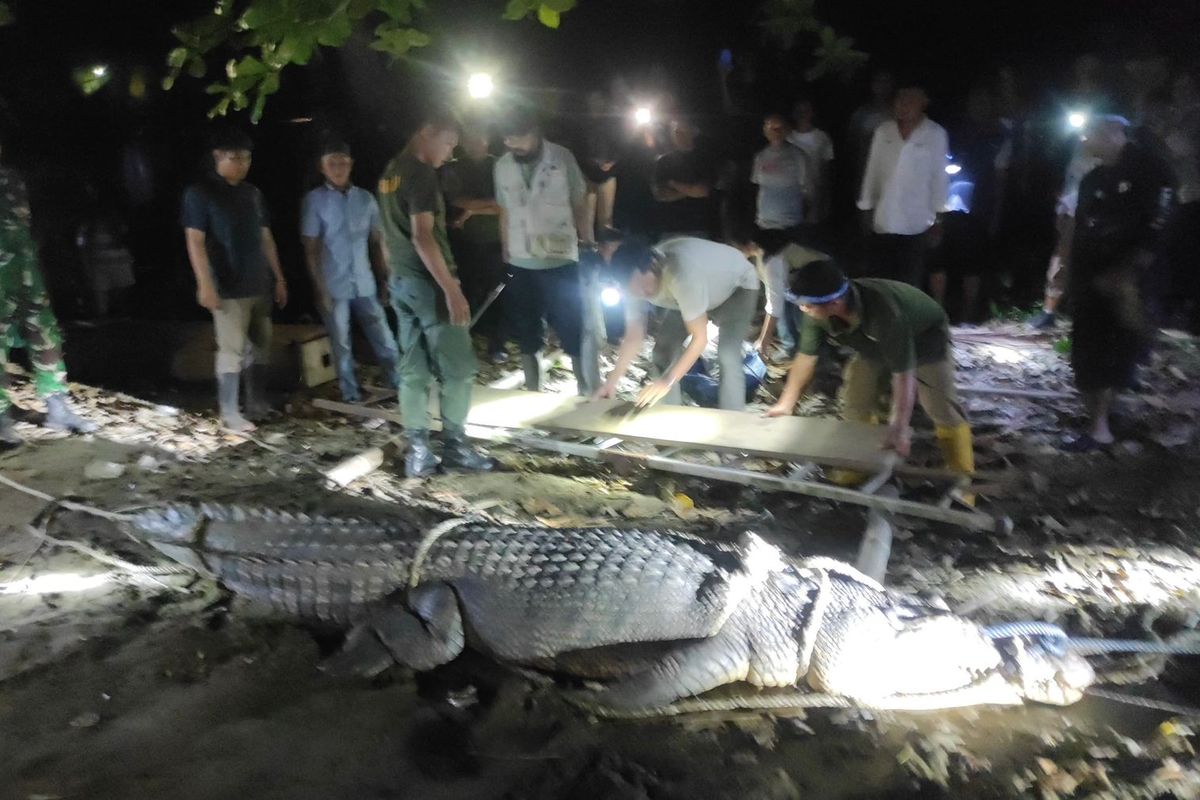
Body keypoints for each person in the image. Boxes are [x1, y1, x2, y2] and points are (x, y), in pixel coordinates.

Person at [764, 260, 974, 487]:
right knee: (856, 398)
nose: (802, 309)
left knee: (939, 405)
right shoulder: (817, 311)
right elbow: (806, 358)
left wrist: (899, 427)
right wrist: (785, 404)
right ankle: (861, 464)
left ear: (834, 303)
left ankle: (962, 480)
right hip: (871, 343)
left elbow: (903, 374)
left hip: (924, 336)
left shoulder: (885, 312)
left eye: (806, 305)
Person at [377, 108, 493, 478]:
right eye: (448, 143)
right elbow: (422, 236)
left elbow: (385, 235)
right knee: (458, 370)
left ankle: (419, 452)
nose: (449, 153)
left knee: (413, 370)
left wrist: (391, 275)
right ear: (426, 132)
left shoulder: (389, 173)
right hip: (429, 286)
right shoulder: (420, 173)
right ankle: (456, 447)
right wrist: (452, 289)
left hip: (403, 283)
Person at [1062, 115, 1173, 451]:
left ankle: (1102, 427)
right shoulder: (1092, 178)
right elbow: (1081, 226)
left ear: (1113, 133)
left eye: (1090, 134)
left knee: (1117, 347)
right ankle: (1103, 420)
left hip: (1128, 275)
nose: (1084, 141)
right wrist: (1068, 269)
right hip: (1091, 274)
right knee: (1087, 348)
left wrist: (1131, 269)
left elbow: (1161, 222)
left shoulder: (1147, 168)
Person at [182, 129, 288, 433]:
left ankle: (257, 402)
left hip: (259, 283)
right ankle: (230, 411)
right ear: (217, 157)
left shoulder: (252, 194)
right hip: (228, 286)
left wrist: (279, 277)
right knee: (231, 349)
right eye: (235, 157)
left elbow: (266, 237)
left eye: (246, 158)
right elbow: (195, 241)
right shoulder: (200, 193)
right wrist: (205, 283)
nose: (242, 164)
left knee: (262, 344)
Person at [494, 107, 599, 394]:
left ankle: (585, 391)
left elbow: (579, 202)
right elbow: (504, 210)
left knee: (572, 326)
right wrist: (506, 249)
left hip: (560, 259)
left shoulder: (562, 158)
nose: (513, 145)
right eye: (508, 140)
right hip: (521, 259)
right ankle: (533, 391)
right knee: (527, 331)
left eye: (518, 139)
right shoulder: (502, 165)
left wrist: (587, 242)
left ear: (534, 133)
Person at [595, 236, 759, 411]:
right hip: (685, 297)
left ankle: (733, 420)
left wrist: (668, 380)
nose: (645, 294)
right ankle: (668, 415)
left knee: (727, 354)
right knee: (662, 352)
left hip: (736, 288)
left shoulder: (681, 272)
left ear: (653, 265)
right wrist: (611, 382)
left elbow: (699, 339)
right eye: (638, 293)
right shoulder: (633, 285)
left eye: (645, 287)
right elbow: (634, 337)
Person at [0, 156, 96, 446]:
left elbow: (27, 222)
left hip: (25, 269)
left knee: (46, 335)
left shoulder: (11, 176)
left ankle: (58, 408)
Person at [300, 138, 400, 403]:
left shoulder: (365, 199)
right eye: (331, 163)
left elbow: (378, 242)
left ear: (351, 164)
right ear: (322, 167)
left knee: (384, 336)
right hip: (334, 284)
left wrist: (385, 279)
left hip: (364, 281)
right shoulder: (315, 201)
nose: (338, 168)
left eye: (342, 162)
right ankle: (350, 393)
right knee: (341, 343)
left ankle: (398, 383)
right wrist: (319, 289)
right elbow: (311, 249)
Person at [858, 82, 949, 287]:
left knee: (910, 282)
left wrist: (939, 218)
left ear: (924, 102)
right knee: (882, 279)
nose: (903, 104)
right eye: (900, 98)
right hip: (884, 218)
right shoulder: (884, 131)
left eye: (910, 99)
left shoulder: (935, 134)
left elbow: (939, 178)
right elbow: (872, 170)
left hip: (917, 221)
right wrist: (865, 207)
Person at [733, 229, 831, 362]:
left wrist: (763, 341)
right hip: (807, 286)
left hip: (824, 283)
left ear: (749, 244)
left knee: (810, 328)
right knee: (799, 318)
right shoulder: (766, 249)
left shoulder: (772, 260)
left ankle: (822, 360)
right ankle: (808, 353)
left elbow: (774, 305)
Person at [652, 116, 717, 239]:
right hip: (670, 228)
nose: (679, 135)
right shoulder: (663, 161)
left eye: (683, 131)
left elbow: (703, 190)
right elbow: (660, 194)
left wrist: (673, 184)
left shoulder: (704, 159)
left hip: (700, 227)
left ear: (693, 132)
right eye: (676, 132)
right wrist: (690, 190)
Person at [751, 113, 811, 235]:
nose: (776, 132)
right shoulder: (760, 157)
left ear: (787, 130)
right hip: (764, 223)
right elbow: (758, 186)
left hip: (791, 224)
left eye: (780, 127)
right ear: (765, 131)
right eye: (771, 128)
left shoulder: (798, 156)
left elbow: (809, 191)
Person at [788, 98, 835, 225]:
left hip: (815, 193)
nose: (802, 113)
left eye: (806, 110)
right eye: (799, 110)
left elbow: (826, 169)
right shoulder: (787, 138)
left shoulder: (822, 137)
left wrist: (826, 197)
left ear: (812, 112)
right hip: (792, 194)